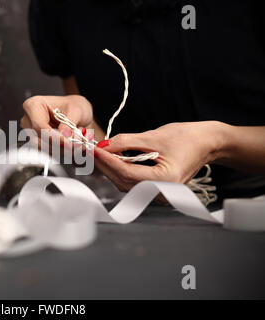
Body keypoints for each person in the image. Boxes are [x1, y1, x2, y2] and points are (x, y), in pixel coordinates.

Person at [20, 0, 265, 200]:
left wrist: (217, 141)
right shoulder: (59, 7)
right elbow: (93, 130)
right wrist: (80, 128)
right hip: (140, 212)